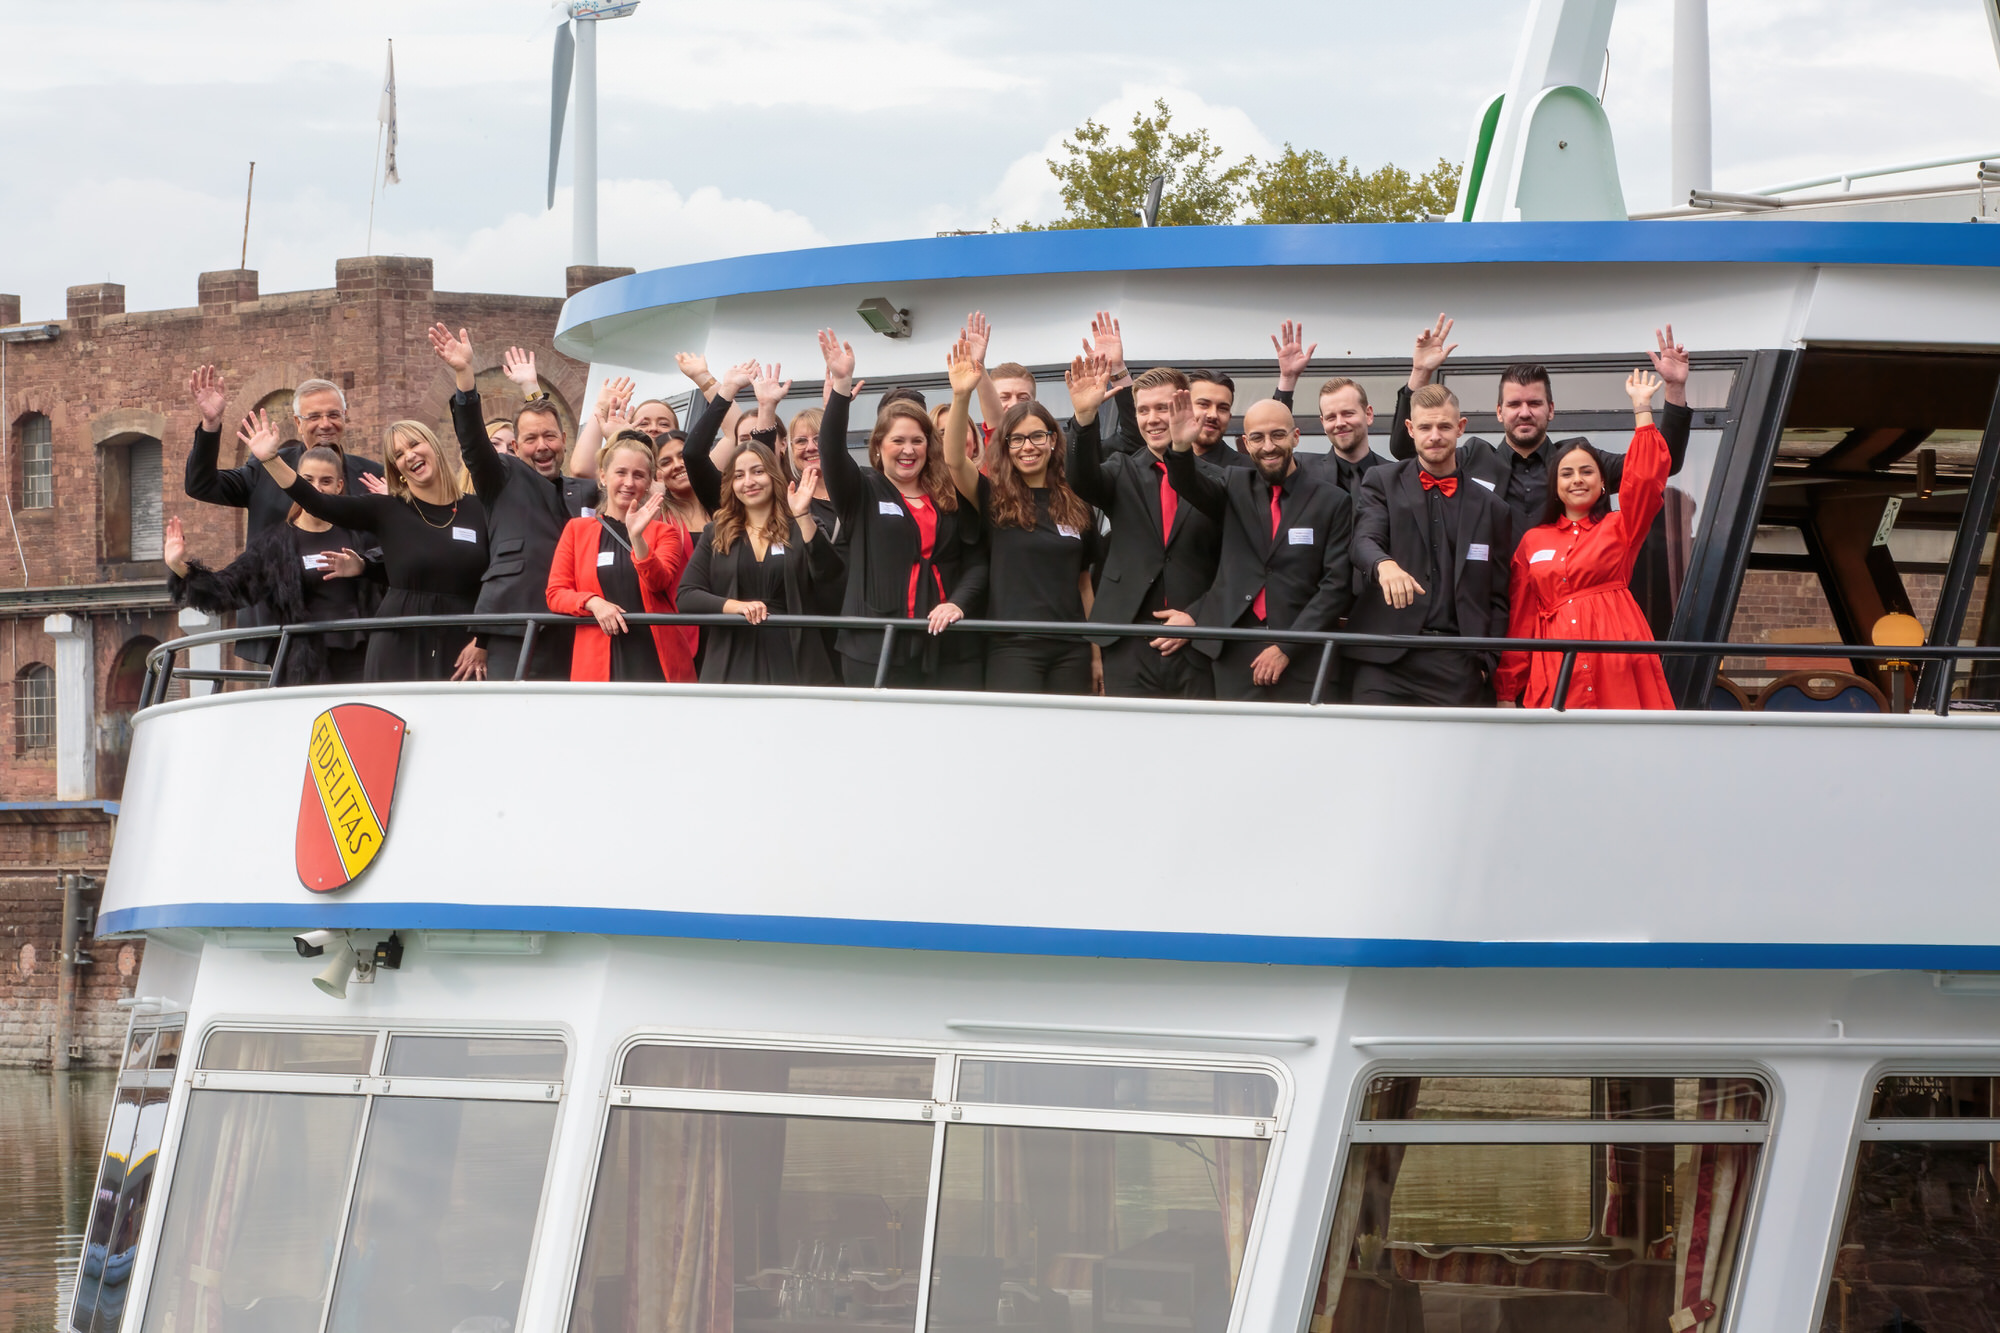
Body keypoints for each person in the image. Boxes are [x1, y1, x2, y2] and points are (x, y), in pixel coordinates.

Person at [1387, 314, 1694, 546]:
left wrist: (1675, 389)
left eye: (1534, 403)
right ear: (1499, 412)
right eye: (1514, 404)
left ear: (1551, 409)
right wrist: (1420, 373)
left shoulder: (1580, 462)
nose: (1524, 412)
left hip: (1565, 599)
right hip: (1492, 602)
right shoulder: (1471, 459)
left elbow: (1660, 465)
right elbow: (1405, 450)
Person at [244, 411, 490, 682]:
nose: (409, 456)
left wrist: (483, 639)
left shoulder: (479, 510)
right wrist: (271, 460)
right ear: (396, 469)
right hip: (398, 644)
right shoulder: (388, 509)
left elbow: (498, 577)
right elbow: (318, 502)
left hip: (465, 648)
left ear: (434, 446)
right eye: (398, 455)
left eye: (414, 444)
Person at [815, 328, 988, 688]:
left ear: (929, 446)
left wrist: (958, 603)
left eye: (917, 441)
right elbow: (830, 450)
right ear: (878, 446)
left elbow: (977, 561)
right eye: (898, 440)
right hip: (874, 649)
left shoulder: (950, 494)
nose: (908, 450)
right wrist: (842, 385)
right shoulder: (861, 490)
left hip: (947, 649)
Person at [1497, 371, 1675, 710]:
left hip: (1617, 661)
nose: (1577, 480)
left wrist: (1642, 410)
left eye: (1587, 471)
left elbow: (1645, 479)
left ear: (1603, 483)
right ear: (1555, 487)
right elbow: (1522, 622)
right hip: (1557, 668)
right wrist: (1507, 691)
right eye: (1567, 473)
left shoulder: (1621, 526)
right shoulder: (1533, 541)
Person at [182, 367, 385, 663]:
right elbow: (201, 485)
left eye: (333, 415)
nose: (325, 424)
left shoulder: (373, 476)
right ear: (298, 423)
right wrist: (210, 425)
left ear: (345, 417)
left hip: (361, 633)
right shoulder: (267, 468)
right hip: (284, 635)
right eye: (314, 417)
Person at [1163, 392, 1353, 703]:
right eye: (1257, 438)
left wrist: (1287, 647)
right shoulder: (1233, 485)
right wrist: (1181, 448)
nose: (1268, 446)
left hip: (1304, 654)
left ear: (1295, 436)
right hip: (1234, 649)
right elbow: (1190, 485)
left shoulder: (1333, 501)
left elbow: (1336, 586)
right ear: (1246, 443)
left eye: (1278, 435)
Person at [942, 345, 1101, 695]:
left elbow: (1084, 584)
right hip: (1013, 647)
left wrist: (1095, 654)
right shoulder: (991, 496)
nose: (1028, 447)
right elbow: (953, 460)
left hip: (1071, 648)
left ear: (1052, 441)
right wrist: (961, 395)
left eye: (1037, 436)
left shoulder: (1077, 502)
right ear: (1006, 446)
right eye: (1017, 439)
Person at [1346, 384, 1514, 707]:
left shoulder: (1493, 508)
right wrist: (1384, 565)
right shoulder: (1382, 481)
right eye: (1425, 427)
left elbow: (1498, 597)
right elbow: (1363, 541)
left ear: (1460, 428)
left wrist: (1486, 662)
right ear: (1410, 429)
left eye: (1444, 426)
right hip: (1384, 659)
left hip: (1458, 663)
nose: (1434, 436)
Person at [427, 325, 579, 681]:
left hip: (575, 625)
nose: (541, 446)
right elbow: (473, 442)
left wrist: (532, 388)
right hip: (513, 626)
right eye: (530, 439)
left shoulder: (584, 490)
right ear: (515, 447)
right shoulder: (504, 477)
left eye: (550, 437)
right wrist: (464, 374)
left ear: (563, 440)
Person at [1069, 365, 1224, 699]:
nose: (1152, 419)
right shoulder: (1119, 470)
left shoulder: (1220, 479)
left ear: (1185, 408)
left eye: (1162, 408)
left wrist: (1197, 616)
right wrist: (1084, 419)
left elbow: (1235, 564)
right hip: (1126, 640)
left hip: (1196, 640)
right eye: (1143, 410)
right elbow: (1081, 479)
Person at [162, 449, 374, 685]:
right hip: (302, 668)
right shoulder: (276, 545)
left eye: (326, 481)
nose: (316, 489)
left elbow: (394, 570)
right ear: (295, 483)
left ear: (339, 486)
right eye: (308, 480)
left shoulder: (359, 534)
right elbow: (226, 589)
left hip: (361, 658)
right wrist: (178, 565)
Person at [677, 442, 839, 684]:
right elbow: (686, 596)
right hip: (732, 659)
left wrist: (802, 516)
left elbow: (831, 579)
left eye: (758, 471)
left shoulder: (803, 524)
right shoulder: (716, 532)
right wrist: (736, 607)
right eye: (739, 475)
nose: (749, 482)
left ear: (773, 476)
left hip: (794, 658)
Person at [545, 432, 695, 682]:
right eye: (621, 473)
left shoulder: (665, 532)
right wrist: (592, 602)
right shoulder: (577, 530)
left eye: (638, 475)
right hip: (598, 657)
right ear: (603, 477)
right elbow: (556, 593)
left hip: (656, 657)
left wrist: (637, 538)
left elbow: (658, 582)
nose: (629, 482)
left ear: (649, 482)